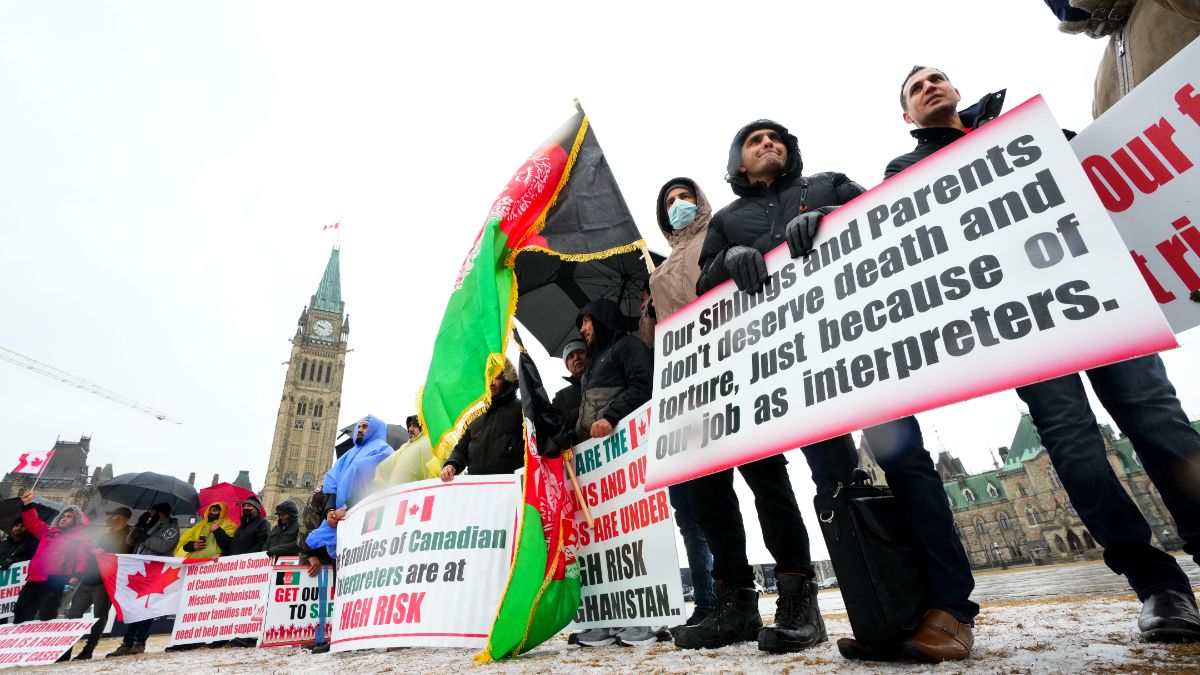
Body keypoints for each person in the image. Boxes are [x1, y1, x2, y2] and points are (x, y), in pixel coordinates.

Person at [889, 64, 1200, 643]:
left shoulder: (1028, 130)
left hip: (1100, 295)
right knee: (1074, 448)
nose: (930, 86)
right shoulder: (905, 173)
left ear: (957, 90)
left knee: (1159, 421)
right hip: (1022, 321)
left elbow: (1117, 178)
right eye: (915, 88)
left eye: (937, 78)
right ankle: (1158, 584)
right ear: (907, 117)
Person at [679, 120, 978, 660]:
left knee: (907, 463)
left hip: (861, 349)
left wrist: (833, 219)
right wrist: (726, 262)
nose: (768, 143)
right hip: (799, 372)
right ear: (737, 164)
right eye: (754, 141)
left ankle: (952, 609)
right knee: (832, 484)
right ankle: (880, 610)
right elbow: (703, 287)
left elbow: (885, 221)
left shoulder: (829, 183)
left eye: (776, 138)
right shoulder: (725, 221)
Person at [645, 177, 717, 628]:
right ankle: (709, 602)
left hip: (723, 373)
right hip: (679, 393)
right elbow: (652, 345)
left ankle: (760, 591)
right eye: (669, 202)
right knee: (690, 507)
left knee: (741, 489)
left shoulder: (718, 234)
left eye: (683, 197)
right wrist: (648, 311)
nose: (678, 206)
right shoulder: (656, 271)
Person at [571, 298, 658, 647]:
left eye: (586, 321)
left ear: (602, 319)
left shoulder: (629, 346)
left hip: (629, 456)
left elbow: (643, 384)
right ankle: (609, 618)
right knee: (606, 538)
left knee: (636, 530)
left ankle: (648, 618)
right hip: (600, 463)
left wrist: (613, 416)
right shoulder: (593, 363)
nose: (582, 329)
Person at [305, 415, 395, 560]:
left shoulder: (382, 450)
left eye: (365, 427)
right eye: (359, 426)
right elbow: (332, 486)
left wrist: (346, 508)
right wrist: (330, 511)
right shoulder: (348, 455)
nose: (359, 430)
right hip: (339, 521)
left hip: (364, 522)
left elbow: (372, 487)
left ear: (374, 430)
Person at [107, 502, 180, 657]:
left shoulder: (172, 528)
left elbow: (162, 546)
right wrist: (138, 527)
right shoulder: (149, 524)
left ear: (160, 512)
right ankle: (127, 643)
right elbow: (130, 542)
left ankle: (139, 642)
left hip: (155, 570)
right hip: (139, 569)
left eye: (152, 510)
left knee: (146, 608)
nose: (149, 513)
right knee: (135, 607)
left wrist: (146, 537)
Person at [12, 493, 90, 624]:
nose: (64, 519)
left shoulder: (81, 538)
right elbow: (33, 523)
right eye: (63, 516)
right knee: (21, 614)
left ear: (76, 521)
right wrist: (27, 505)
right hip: (34, 578)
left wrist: (77, 574)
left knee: (47, 617)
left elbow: (83, 558)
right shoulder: (48, 531)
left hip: (54, 580)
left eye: (69, 517)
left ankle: (41, 643)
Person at [66, 507, 132, 660]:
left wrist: (105, 553)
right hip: (88, 578)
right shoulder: (106, 534)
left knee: (99, 617)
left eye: (113, 514)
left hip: (105, 582)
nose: (110, 517)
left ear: (121, 517)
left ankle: (88, 649)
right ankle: (66, 649)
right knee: (73, 614)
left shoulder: (129, 535)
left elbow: (127, 556)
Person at [441, 360, 524, 480]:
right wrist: (451, 464)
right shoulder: (475, 416)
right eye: (488, 378)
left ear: (508, 379)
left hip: (512, 490)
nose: (491, 383)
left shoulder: (522, 409)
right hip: (477, 490)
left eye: (497, 377)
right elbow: (461, 449)